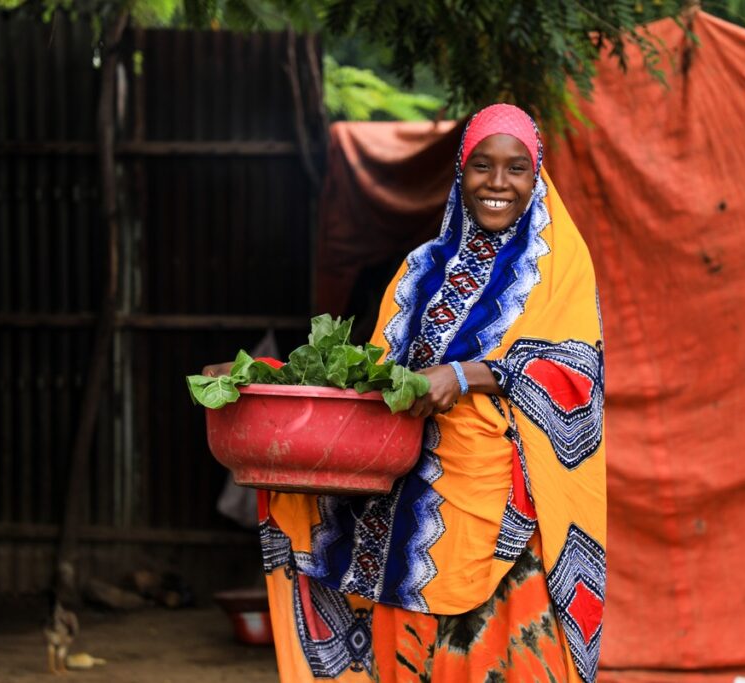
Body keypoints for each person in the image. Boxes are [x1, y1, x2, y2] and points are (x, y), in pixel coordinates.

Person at [259, 103, 606, 682]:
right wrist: (272, 382)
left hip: (501, 516)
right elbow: (372, 374)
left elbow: (576, 372)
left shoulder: (558, 269)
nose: (498, 183)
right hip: (402, 511)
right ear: (460, 173)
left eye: (517, 168)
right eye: (481, 166)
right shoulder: (420, 269)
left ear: (536, 174)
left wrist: (466, 375)